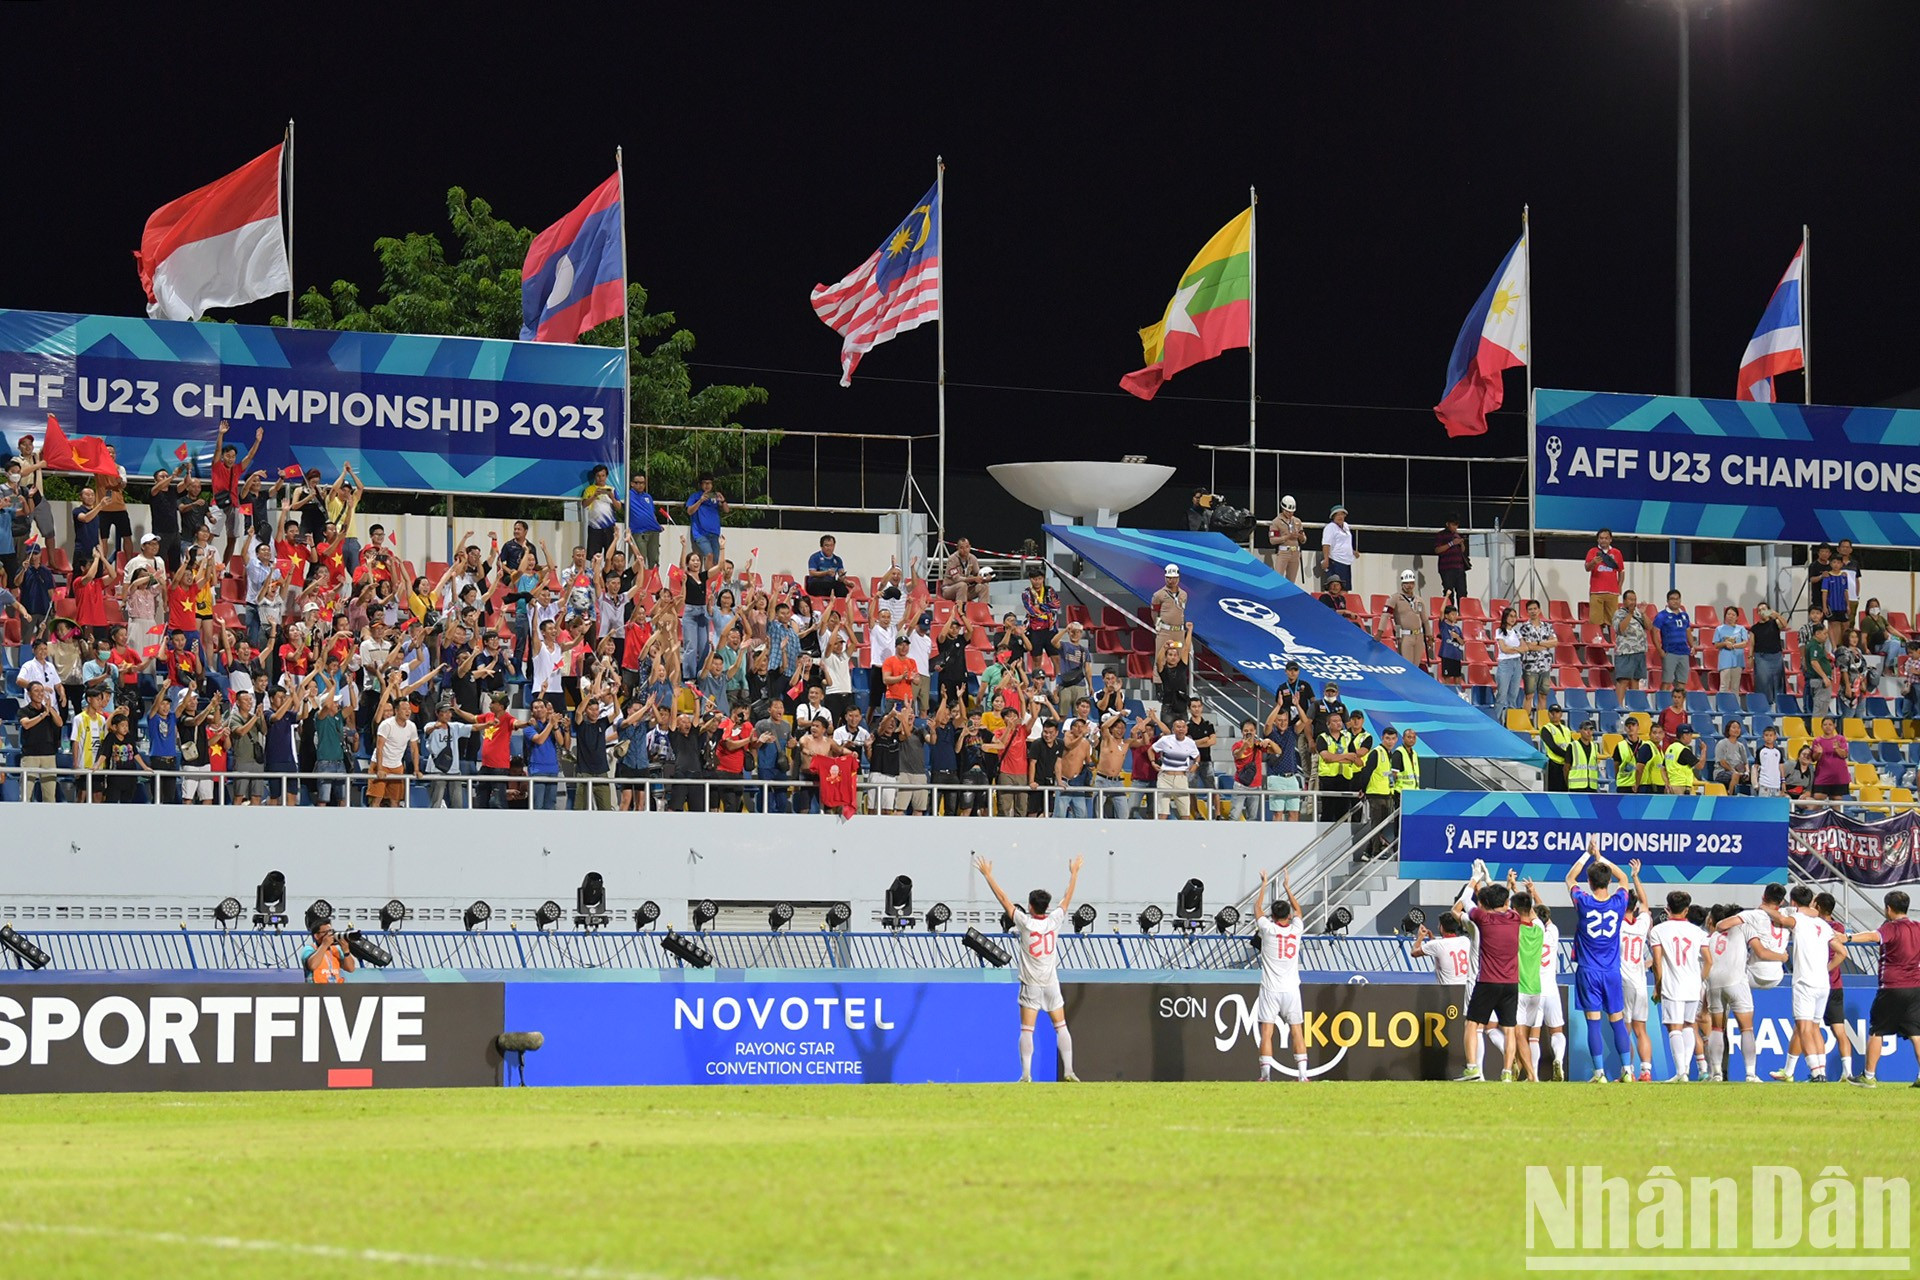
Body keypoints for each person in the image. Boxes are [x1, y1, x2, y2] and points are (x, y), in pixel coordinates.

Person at [974, 854, 1082, 1083]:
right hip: (1051, 983)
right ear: (1046, 907)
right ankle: (1069, 1071)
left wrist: (988, 875)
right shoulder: (1055, 920)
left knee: (1026, 1030)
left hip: (1031, 985)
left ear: (1030, 906)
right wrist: (1074, 873)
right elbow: (1068, 897)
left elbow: (1003, 899)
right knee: (1061, 1026)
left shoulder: (1024, 922)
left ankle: (1026, 1074)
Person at [1565, 842, 1641, 1082]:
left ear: (1589, 882)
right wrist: (1602, 857)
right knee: (1617, 1019)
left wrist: (1588, 854)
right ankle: (1628, 1071)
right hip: (1611, 971)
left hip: (1589, 971)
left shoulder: (1584, 902)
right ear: (1608, 883)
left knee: (1593, 1022)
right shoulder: (1619, 902)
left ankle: (1599, 1073)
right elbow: (1624, 879)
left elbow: (1569, 878)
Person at [1762, 886, 1846, 1082]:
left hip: (1805, 982)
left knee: (1803, 1028)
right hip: (1823, 984)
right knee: (1814, 1028)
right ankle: (1819, 1071)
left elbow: (1781, 919)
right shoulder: (1824, 926)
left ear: (1793, 902)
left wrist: (1765, 908)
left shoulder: (1798, 920)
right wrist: (1825, 968)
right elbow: (1843, 953)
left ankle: (1816, 1073)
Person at [1840, 890, 1920, 1088]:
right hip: (1915, 987)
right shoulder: (1917, 927)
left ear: (1889, 908)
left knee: (1878, 1031)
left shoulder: (1891, 928)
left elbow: (1871, 936)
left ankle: (1868, 1076)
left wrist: (1847, 938)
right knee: (1916, 1033)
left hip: (1892, 987)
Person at [1704, 903, 1784, 1083]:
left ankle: (1716, 1073)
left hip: (1714, 983)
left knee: (1717, 1028)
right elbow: (1761, 952)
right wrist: (1782, 957)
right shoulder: (1744, 927)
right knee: (1746, 1028)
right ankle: (1750, 1074)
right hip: (1736, 981)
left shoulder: (1713, 936)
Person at [1455, 867, 1521, 1082]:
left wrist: (1475, 877)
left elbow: (1465, 899)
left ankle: (1473, 1069)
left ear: (1485, 904)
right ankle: (1507, 1073)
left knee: (1472, 1024)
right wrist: (1493, 881)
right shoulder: (1514, 917)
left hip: (1487, 981)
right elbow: (1505, 902)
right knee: (1509, 1028)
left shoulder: (1483, 919)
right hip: (1511, 983)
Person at [1648, 889, 1713, 1081]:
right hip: (1693, 986)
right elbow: (1709, 961)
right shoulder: (1698, 932)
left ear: (1668, 908)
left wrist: (1658, 987)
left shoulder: (1658, 931)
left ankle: (1680, 1072)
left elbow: (1657, 962)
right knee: (1688, 1026)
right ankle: (1684, 1069)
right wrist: (1699, 979)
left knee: (1674, 1028)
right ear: (1686, 910)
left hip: (1672, 985)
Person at [1253, 869, 1309, 1083]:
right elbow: (1299, 911)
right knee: (1297, 1031)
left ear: (1273, 916)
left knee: (1267, 1032)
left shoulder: (1267, 929)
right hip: (1292, 989)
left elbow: (1257, 908)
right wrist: (1287, 887)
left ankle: (1265, 1076)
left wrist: (1264, 884)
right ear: (1288, 916)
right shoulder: (1296, 929)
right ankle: (1302, 1075)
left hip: (1270, 988)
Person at [1149, 716, 1199, 819]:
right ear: (1173, 729)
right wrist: (1153, 762)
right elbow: (1151, 749)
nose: (1181, 729)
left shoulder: (1191, 743)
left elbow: (1197, 756)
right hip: (1165, 778)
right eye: (1178, 727)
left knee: (1185, 814)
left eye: (1183, 727)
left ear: (1186, 729)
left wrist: (1196, 764)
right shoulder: (1165, 740)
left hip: (1182, 779)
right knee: (1163, 813)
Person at [1515, 599, 1557, 717]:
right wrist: (1544, 644)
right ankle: (1526, 722)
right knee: (1529, 695)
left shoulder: (1547, 626)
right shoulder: (1524, 628)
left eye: (1535, 609)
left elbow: (1554, 642)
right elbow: (1528, 646)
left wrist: (1537, 643)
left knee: (1543, 695)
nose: (1533, 611)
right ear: (1527, 612)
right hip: (1530, 665)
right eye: (1530, 609)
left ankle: (1541, 723)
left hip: (1545, 665)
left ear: (1539, 610)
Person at [1411, 912, 1472, 988]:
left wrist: (1420, 937)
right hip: (1466, 989)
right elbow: (1446, 947)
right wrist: (1432, 938)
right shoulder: (1465, 940)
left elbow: (1414, 953)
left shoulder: (1436, 945)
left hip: (1448, 990)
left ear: (1442, 927)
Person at [1387, 570, 1430, 669]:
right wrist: (1381, 632)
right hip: (1405, 635)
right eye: (1406, 583)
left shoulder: (1419, 600)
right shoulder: (1395, 598)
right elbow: (1388, 616)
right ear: (1402, 583)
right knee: (1407, 665)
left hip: (1418, 635)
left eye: (1411, 583)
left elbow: (1425, 620)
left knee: (1415, 666)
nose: (1409, 585)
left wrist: (1429, 634)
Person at [684, 473, 727, 573]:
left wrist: (723, 500)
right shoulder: (695, 496)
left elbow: (726, 510)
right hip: (700, 533)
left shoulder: (715, 496)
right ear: (700, 484)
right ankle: (706, 579)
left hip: (714, 533)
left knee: (715, 561)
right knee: (709, 555)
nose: (707, 485)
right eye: (705, 483)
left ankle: (711, 584)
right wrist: (700, 501)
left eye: (709, 483)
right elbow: (689, 511)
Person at [1583, 530, 1624, 633]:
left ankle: (1613, 644)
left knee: (1613, 621)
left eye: (1606, 538)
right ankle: (1598, 643)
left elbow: (1621, 571)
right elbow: (1587, 568)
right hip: (1596, 592)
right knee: (1595, 621)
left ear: (1610, 539)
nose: (1603, 540)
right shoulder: (1592, 551)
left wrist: (1619, 586)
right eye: (1601, 538)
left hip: (1612, 592)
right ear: (1598, 539)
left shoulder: (1617, 553)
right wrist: (1593, 562)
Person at [1652, 589, 1692, 694]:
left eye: (1677, 599)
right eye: (1672, 599)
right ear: (1667, 601)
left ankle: (1679, 707)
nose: (1675, 601)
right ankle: (1662, 705)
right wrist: (1659, 650)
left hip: (1684, 652)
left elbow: (1688, 631)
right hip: (1670, 652)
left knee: (1682, 682)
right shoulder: (1662, 615)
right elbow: (1654, 632)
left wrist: (1692, 646)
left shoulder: (1684, 615)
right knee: (1667, 681)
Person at [1149, 564, 1187, 669]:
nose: (1171, 580)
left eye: (1174, 578)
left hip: (1179, 631)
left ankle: (1177, 683)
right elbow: (1154, 612)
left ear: (1178, 578)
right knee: (1160, 659)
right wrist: (1157, 625)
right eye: (1169, 578)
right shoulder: (1158, 595)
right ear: (1165, 578)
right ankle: (1159, 684)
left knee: (1179, 658)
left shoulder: (1184, 594)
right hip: (1165, 631)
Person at [1491, 605, 1524, 721]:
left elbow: (1524, 647)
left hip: (1517, 663)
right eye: (1510, 616)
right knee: (1502, 694)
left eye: (1515, 616)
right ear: (1505, 617)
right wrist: (1517, 649)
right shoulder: (1500, 631)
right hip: (1505, 663)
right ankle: (1496, 720)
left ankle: (1511, 721)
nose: (1513, 619)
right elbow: (1504, 649)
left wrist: (1514, 649)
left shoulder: (1517, 632)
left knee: (1513, 694)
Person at [301, 918, 358, 984]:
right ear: (316, 936)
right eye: (325, 932)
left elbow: (350, 968)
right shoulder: (309, 949)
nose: (329, 934)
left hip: (334, 990)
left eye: (331, 931)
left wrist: (346, 950)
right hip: (315, 990)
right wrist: (324, 945)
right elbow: (312, 966)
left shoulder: (336, 949)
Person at [1610, 590, 1647, 691]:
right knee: (1623, 680)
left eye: (1634, 600)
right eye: (1630, 599)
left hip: (1639, 651)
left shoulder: (1638, 613)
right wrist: (1630, 614)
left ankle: (1634, 705)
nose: (1633, 602)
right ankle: (1619, 705)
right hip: (1626, 651)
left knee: (1635, 680)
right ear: (1624, 601)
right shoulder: (1619, 613)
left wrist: (1643, 614)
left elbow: (1649, 626)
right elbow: (1620, 629)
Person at [1808, 715, 1852, 800]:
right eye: (1825, 724)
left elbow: (1844, 755)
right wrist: (1819, 753)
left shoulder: (1841, 739)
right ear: (1821, 726)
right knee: (1818, 797)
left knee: (1836, 799)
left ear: (1834, 726)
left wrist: (1837, 749)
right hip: (1822, 775)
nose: (1827, 727)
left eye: (1830, 724)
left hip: (1838, 776)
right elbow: (1814, 758)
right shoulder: (1817, 741)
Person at [1712, 606, 1751, 697]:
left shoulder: (1741, 629)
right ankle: (1722, 707)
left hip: (1738, 661)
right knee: (1724, 685)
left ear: (1737, 617)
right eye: (1728, 614)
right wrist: (1725, 644)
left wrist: (1733, 646)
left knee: (1735, 687)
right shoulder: (1719, 629)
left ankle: (1735, 708)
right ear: (1725, 616)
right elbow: (1716, 644)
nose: (1731, 616)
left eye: (1733, 614)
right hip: (1725, 661)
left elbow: (1745, 643)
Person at [1750, 603, 1784, 705]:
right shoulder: (1754, 628)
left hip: (1776, 656)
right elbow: (1751, 643)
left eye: (1764, 609)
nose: (1762, 612)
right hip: (1761, 656)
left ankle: (1779, 705)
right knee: (1763, 681)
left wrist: (1777, 615)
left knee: (1778, 681)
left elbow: (1784, 625)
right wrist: (1750, 657)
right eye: (1759, 610)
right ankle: (1764, 704)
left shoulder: (1775, 623)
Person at [1268, 496, 1306, 583]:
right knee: (1278, 580)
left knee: (1291, 581)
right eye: (1288, 512)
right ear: (1283, 509)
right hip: (1283, 553)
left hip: (1295, 553)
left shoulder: (1297, 521)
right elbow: (1272, 540)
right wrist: (1287, 536)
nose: (1290, 514)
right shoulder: (1276, 522)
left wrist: (1300, 536)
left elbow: (1304, 540)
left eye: (1292, 512)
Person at [940, 537, 988, 604]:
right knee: (962, 585)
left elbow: (977, 574)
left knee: (984, 586)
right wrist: (973, 579)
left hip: (965, 589)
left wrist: (985, 578)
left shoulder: (973, 558)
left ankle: (982, 610)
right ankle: (961, 611)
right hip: (949, 589)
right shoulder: (952, 559)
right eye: (962, 548)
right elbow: (956, 579)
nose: (965, 550)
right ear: (957, 548)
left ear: (970, 547)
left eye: (967, 547)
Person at [1434, 516, 1469, 607]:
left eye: (1456, 525)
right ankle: (1449, 613)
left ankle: (1462, 614)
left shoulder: (1457, 535)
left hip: (1459, 568)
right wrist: (1451, 543)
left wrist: (1461, 543)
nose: (1455, 527)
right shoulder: (1441, 535)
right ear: (1447, 524)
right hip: (1447, 568)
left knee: (1462, 592)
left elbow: (1463, 551)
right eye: (1453, 525)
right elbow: (1437, 550)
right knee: (1448, 592)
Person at [1537, 703, 1573, 791]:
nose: (1554, 714)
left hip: (1566, 765)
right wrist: (1568, 756)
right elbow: (1553, 747)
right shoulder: (1546, 729)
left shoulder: (1566, 729)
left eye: (1557, 712)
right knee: (1554, 792)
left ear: (1561, 714)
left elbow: (1572, 745)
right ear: (1548, 714)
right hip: (1554, 765)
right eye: (1552, 712)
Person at [1319, 502, 1355, 589]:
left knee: (1345, 588)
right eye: (1337, 515)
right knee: (1335, 588)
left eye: (1342, 514)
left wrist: (1353, 551)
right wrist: (1326, 559)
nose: (1340, 517)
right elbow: (1326, 544)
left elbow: (1345, 542)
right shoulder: (1330, 527)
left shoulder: (1346, 526)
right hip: (1336, 561)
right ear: (1333, 516)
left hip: (1346, 562)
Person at [1713, 721, 1752, 795]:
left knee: (1754, 776)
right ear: (1728, 729)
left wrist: (1747, 772)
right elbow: (1722, 762)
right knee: (1736, 775)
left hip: (1739, 771)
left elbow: (1745, 762)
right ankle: (1730, 795)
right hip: (1721, 772)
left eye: (1738, 728)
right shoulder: (1722, 743)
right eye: (1734, 727)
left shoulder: (1741, 746)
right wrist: (1734, 771)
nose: (1736, 730)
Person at [1611, 718, 1650, 794]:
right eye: (1628, 725)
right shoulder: (1620, 746)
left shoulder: (1646, 745)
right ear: (1625, 728)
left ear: (1638, 727)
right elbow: (1616, 766)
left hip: (1642, 784)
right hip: (1624, 784)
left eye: (1633, 725)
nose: (1630, 727)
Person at [1664, 723, 1700, 796]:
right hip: (1682, 786)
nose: (1691, 737)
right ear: (1684, 735)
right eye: (1690, 735)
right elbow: (1700, 766)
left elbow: (1662, 768)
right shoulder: (1684, 750)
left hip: (1671, 786)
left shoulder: (1670, 748)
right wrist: (1704, 751)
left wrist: (1667, 782)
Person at [1436, 604, 1465, 688]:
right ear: (1446, 615)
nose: (1455, 616)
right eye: (1452, 614)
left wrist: (1457, 637)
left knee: (1457, 678)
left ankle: (1458, 696)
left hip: (1456, 656)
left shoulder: (1457, 629)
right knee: (1447, 678)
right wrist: (1447, 596)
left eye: (1456, 614)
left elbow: (1462, 642)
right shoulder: (1444, 625)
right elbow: (1441, 611)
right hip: (1447, 655)